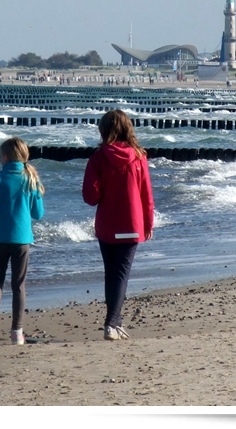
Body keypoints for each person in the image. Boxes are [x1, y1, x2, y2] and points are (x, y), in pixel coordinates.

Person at [83, 109, 154, 340]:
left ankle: (114, 322)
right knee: (121, 274)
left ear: (104, 131)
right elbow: (146, 194)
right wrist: (149, 222)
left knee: (111, 274)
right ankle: (113, 322)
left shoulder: (98, 157)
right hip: (132, 223)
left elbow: (90, 197)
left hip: (107, 225)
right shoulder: (139, 156)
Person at [0, 137, 45, 345]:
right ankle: (16, 332)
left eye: (0, 155)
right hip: (22, 240)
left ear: (5, 156)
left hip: (0, 239)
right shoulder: (30, 179)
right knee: (18, 285)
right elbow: (38, 213)